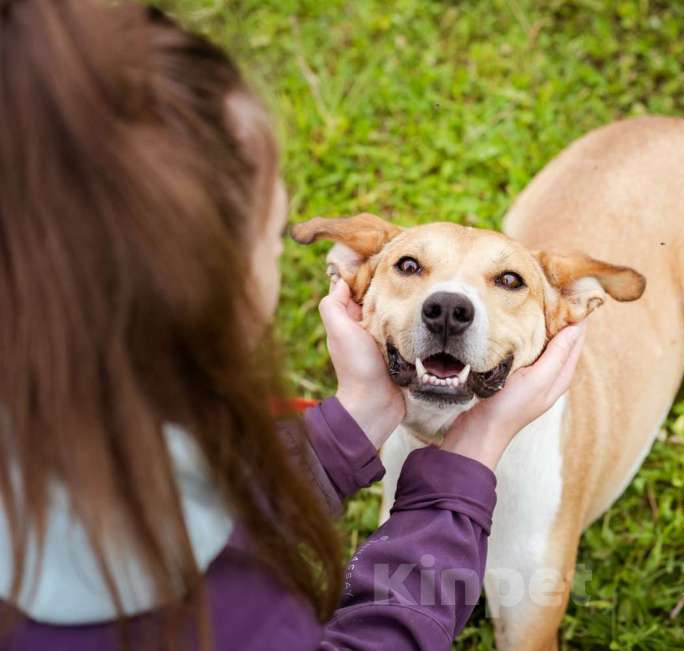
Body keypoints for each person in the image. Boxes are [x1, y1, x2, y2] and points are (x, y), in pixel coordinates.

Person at [0, 1, 586, 650]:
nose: (448, 303)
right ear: (200, 280)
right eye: (274, 236)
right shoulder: (241, 619)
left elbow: (214, 498)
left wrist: (354, 420)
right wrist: (468, 461)